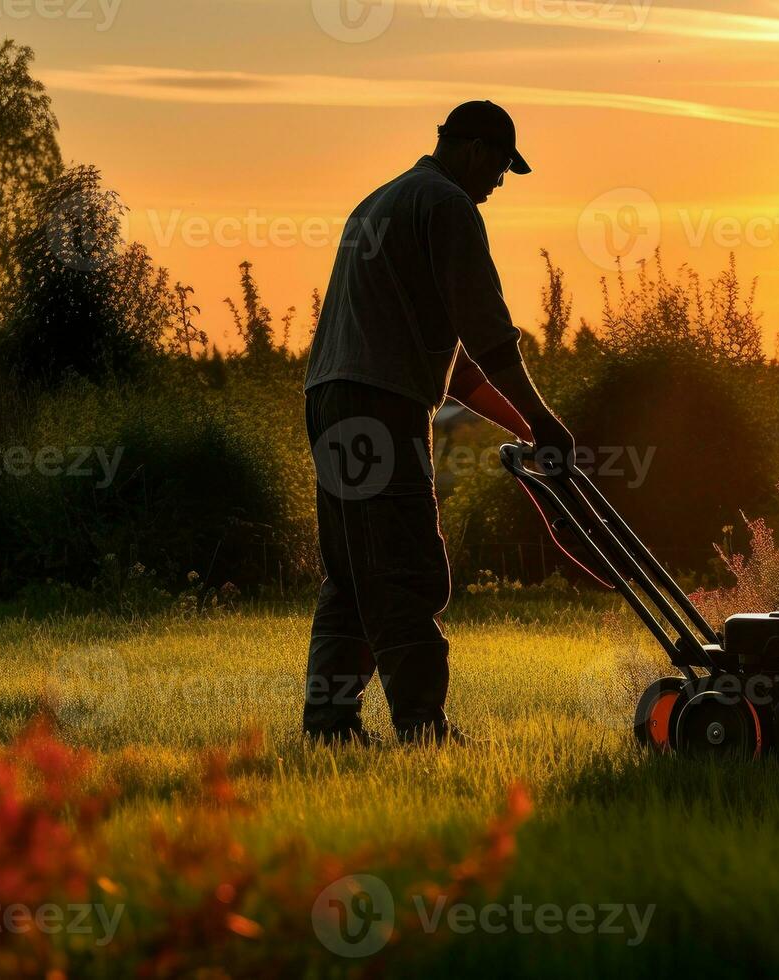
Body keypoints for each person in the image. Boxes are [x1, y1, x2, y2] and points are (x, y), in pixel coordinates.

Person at [302, 100, 574, 745]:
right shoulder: (448, 206)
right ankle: (423, 727)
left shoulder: (381, 202)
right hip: (380, 406)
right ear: (476, 150)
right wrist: (546, 419)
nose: (499, 184)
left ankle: (330, 724)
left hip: (330, 399)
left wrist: (522, 425)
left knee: (354, 573)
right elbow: (488, 335)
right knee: (407, 567)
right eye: (502, 168)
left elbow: (452, 366)